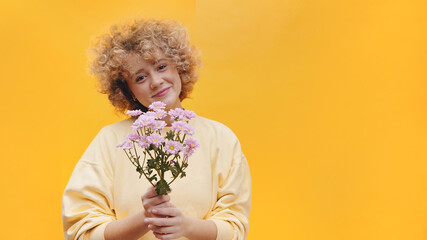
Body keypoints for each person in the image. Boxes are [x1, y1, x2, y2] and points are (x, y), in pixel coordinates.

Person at [62, 18, 252, 240]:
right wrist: (145, 217)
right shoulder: (110, 140)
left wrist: (186, 227)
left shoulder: (221, 139)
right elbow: (81, 231)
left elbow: (235, 228)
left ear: (179, 67)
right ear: (129, 91)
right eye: (140, 77)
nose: (155, 81)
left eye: (161, 66)